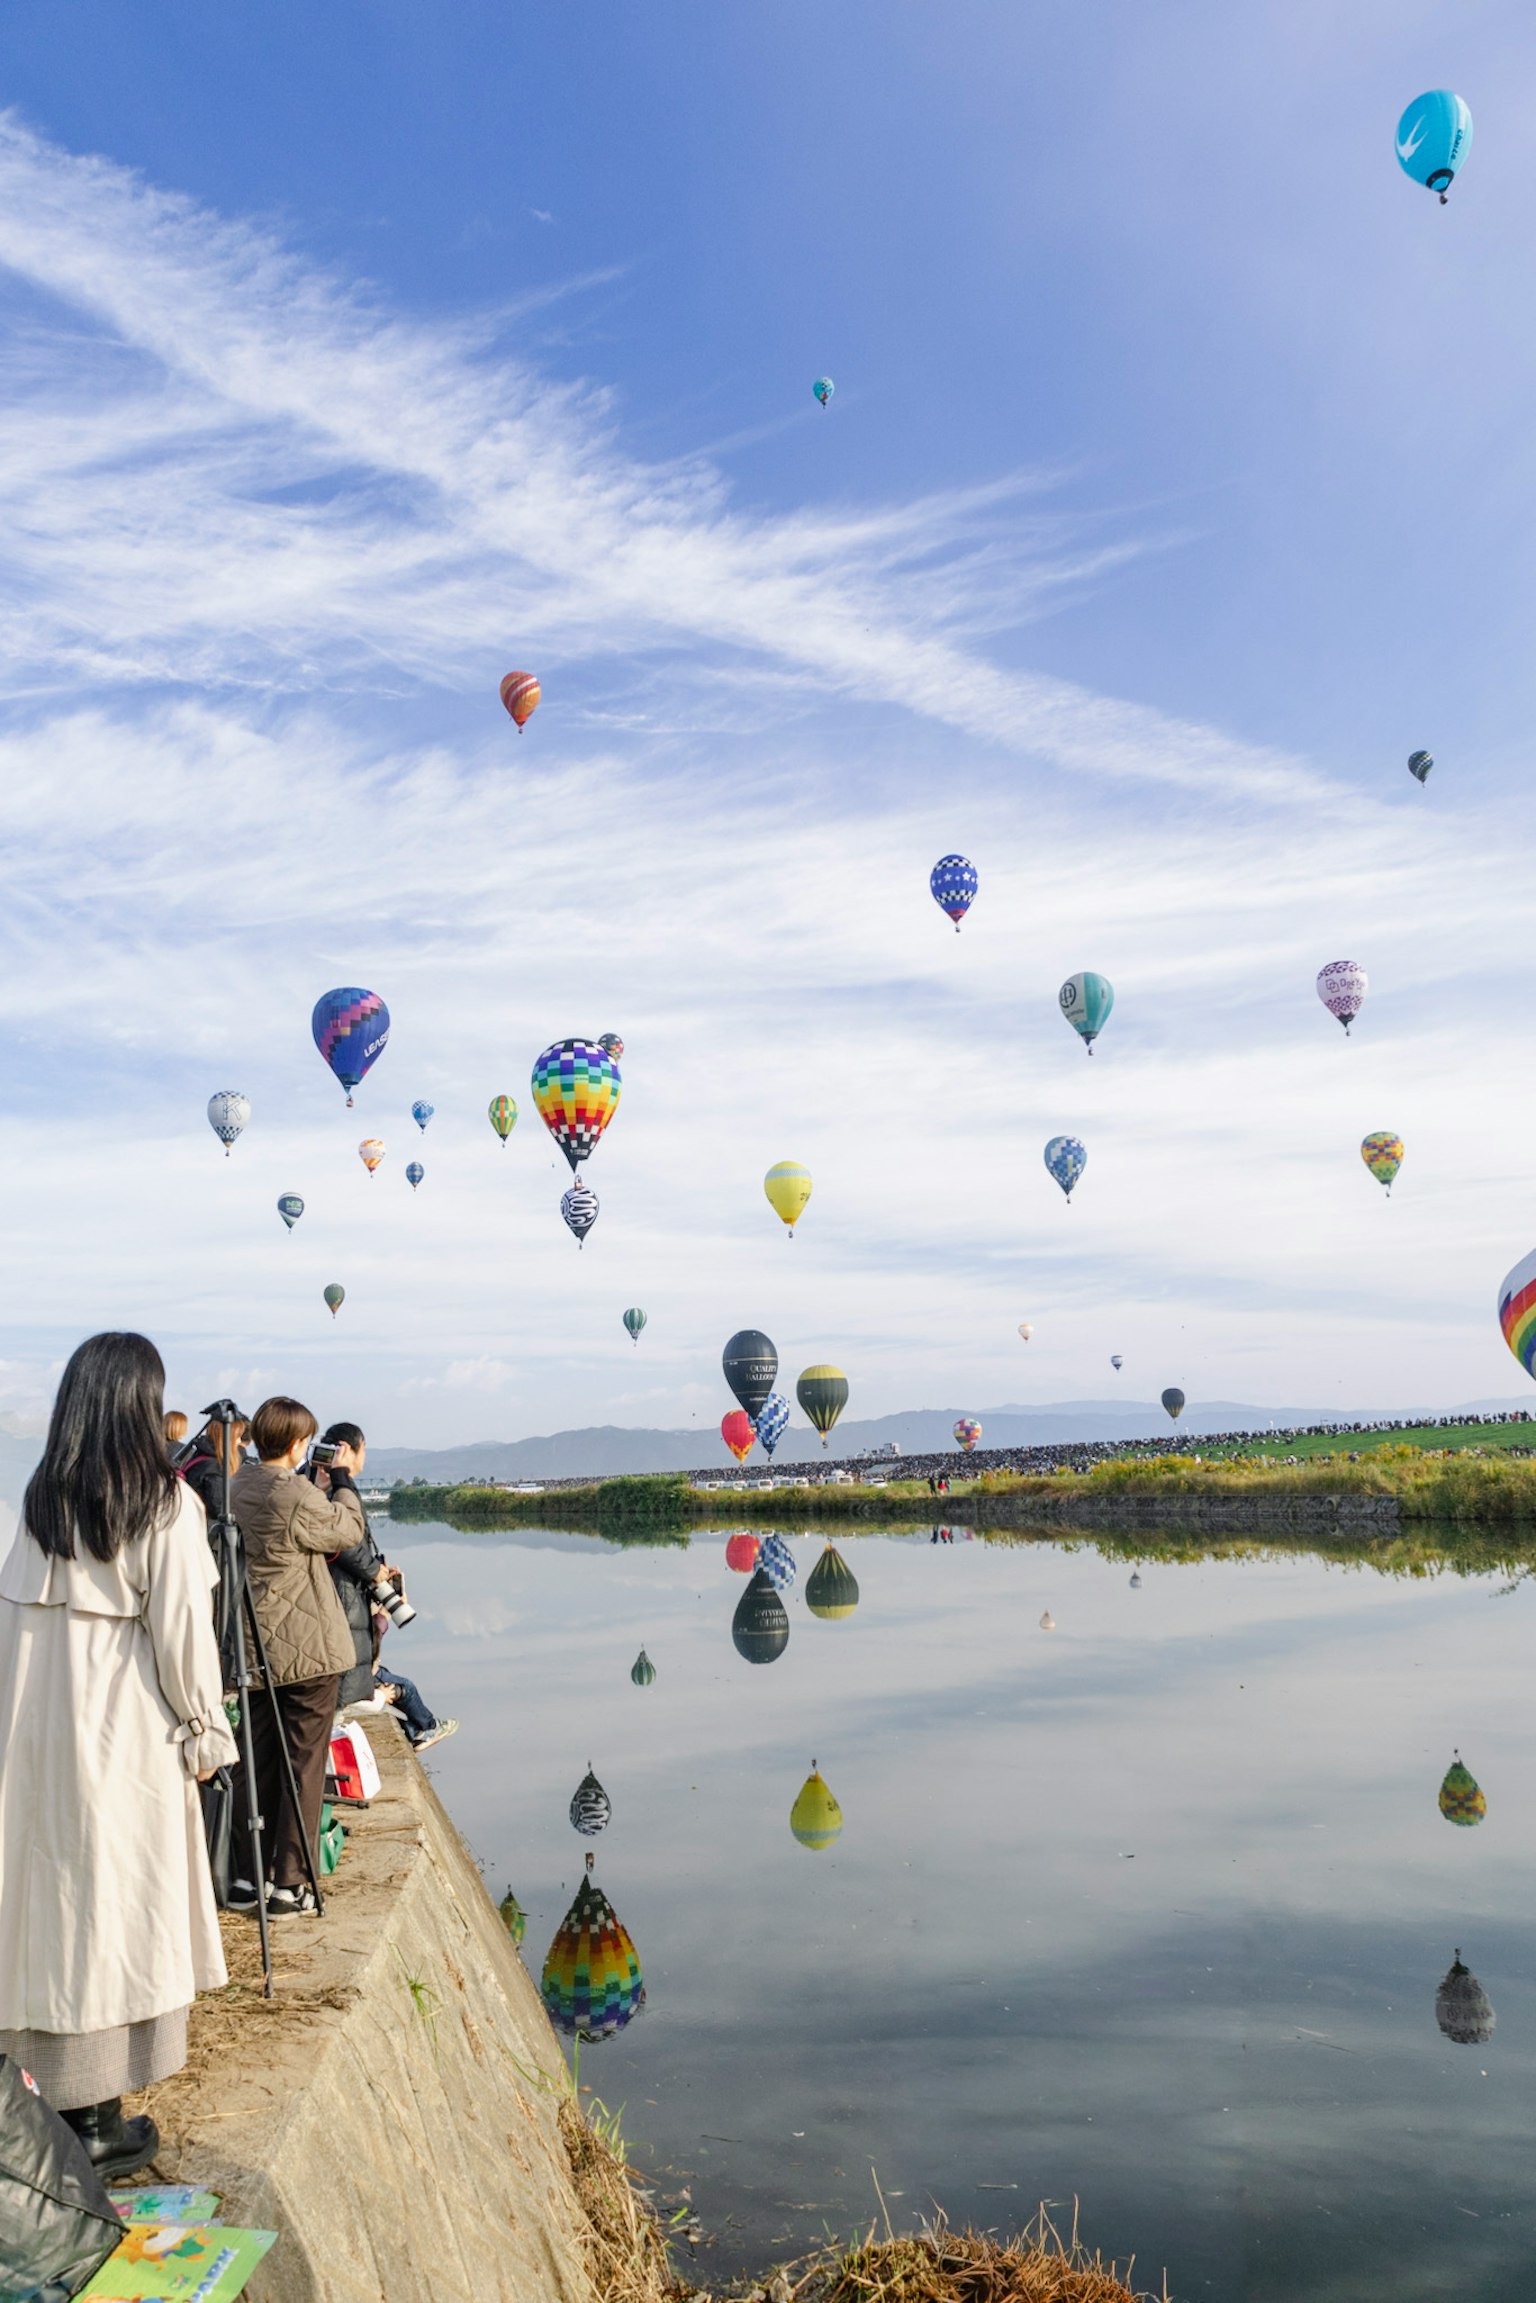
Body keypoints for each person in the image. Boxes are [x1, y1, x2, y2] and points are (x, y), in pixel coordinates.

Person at [0, 1333, 237, 2177]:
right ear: (141, 1403)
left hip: (31, 1737)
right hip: (122, 1740)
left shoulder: (35, 1502)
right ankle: (96, 2120)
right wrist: (208, 1732)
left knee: (49, 1912)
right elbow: (184, 1643)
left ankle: (61, 2110)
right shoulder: (166, 1508)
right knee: (110, 1914)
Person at [230, 1397, 359, 1916]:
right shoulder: (296, 1491)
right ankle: (289, 1884)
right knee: (304, 1762)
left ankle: (245, 1878)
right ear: (299, 1443)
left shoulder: (235, 1486)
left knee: (254, 1761)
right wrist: (345, 1482)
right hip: (306, 1651)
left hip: (252, 1645)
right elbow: (346, 1531)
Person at [319, 1422, 456, 1750]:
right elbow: (346, 1541)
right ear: (348, 1449)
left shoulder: (322, 1488)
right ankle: (424, 1728)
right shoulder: (337, 1491)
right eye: (364, 1449)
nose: (365, 1456)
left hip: (347, 1628)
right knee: (393, 1685)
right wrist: (373, 1573)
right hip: (343, 1626)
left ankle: (419, 1728)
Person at [176, 1409, 249, 1524]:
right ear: (227, 1438)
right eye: (237, 1436)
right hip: (207, 1535)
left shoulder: (200, 1455)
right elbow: (220, 1510)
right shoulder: (215, 1469)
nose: (239, 1441)